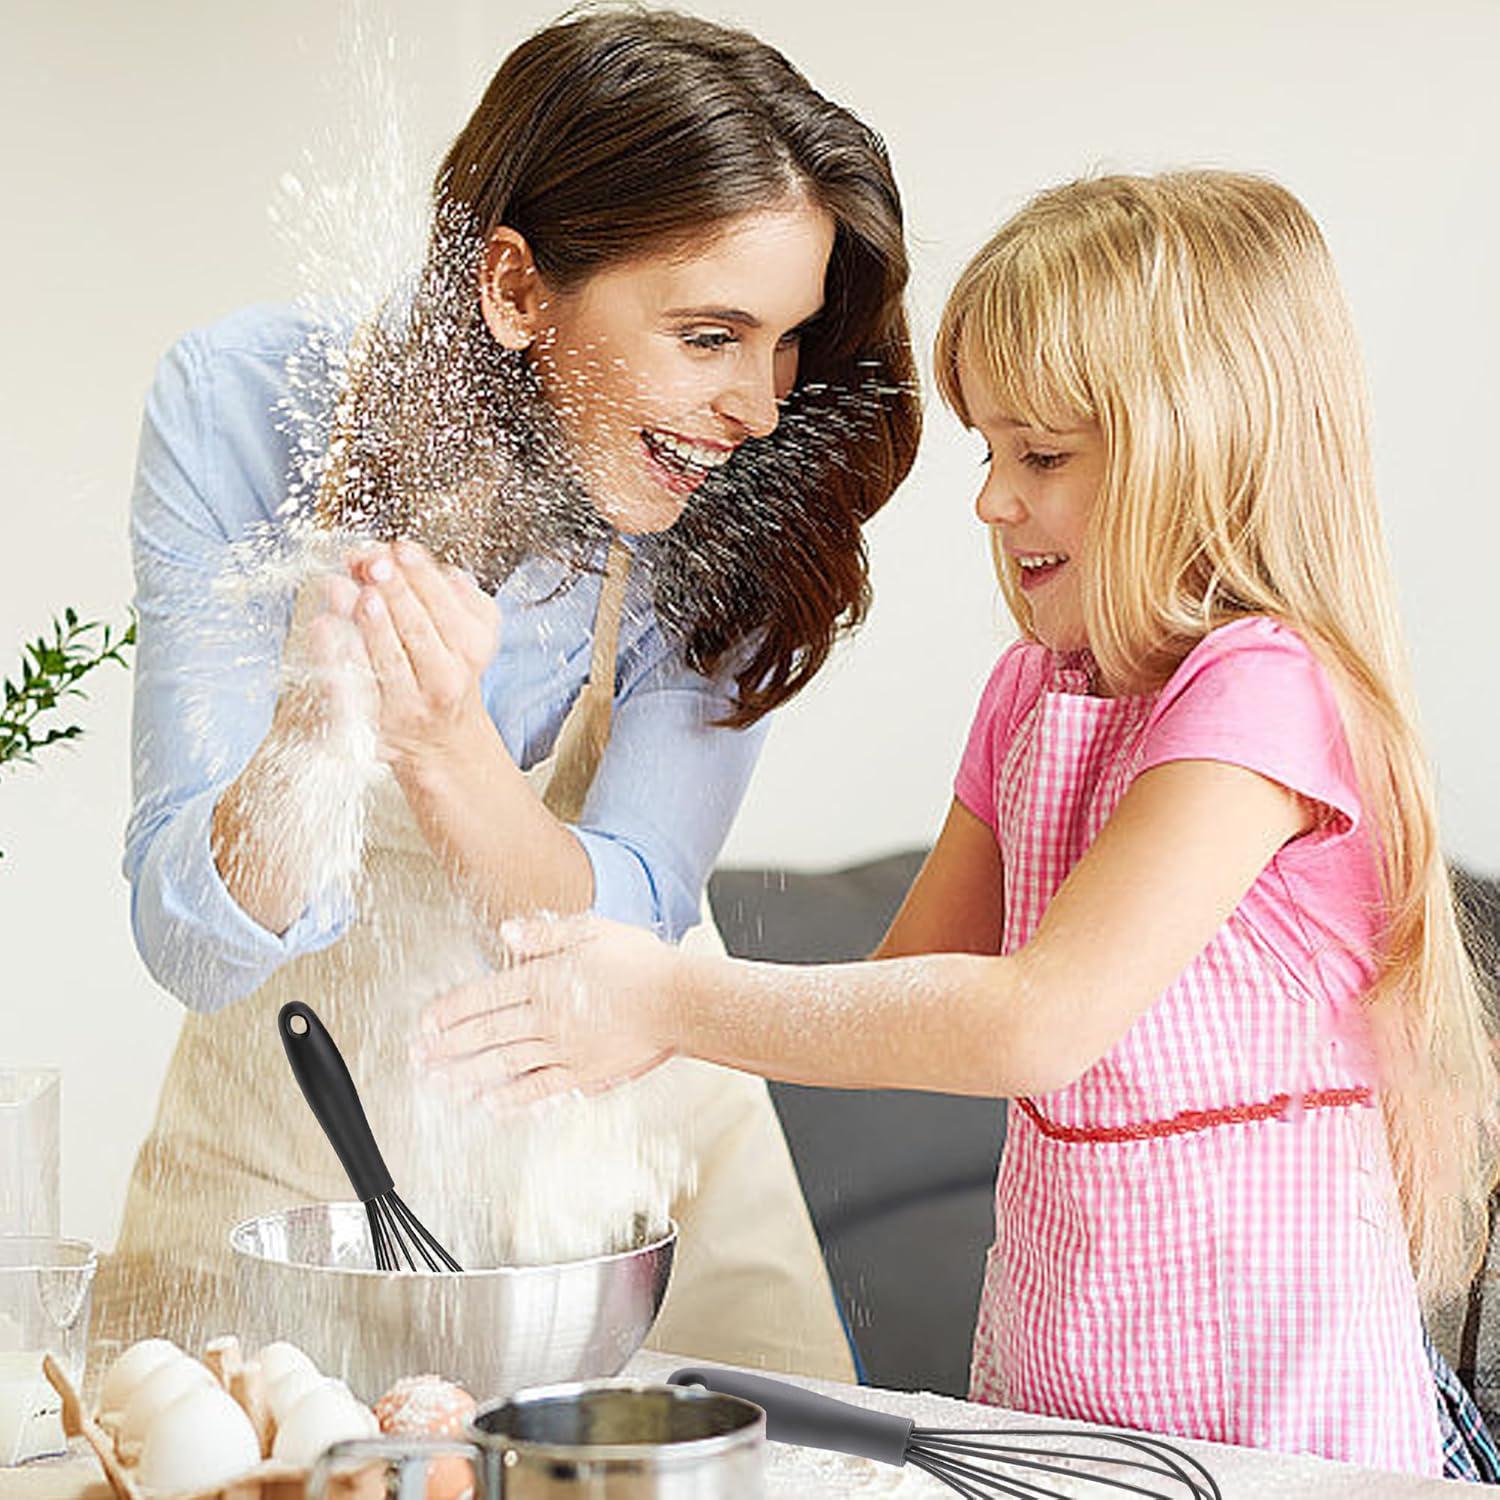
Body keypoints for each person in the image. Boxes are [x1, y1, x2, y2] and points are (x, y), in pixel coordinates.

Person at [423, 171, 1500, 1474]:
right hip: (1061, 1412)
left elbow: (1036, 1022)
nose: (991, 499)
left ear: (1202, 455)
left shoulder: (1268, 694)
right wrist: (637, 1028)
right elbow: (903, 996)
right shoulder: (1030, 698)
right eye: (991, 450)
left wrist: (666, 999)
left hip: (1280, 1444)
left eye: (1041, 455)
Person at [101, 7, 920, 1382]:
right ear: (517, 288)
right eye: (709, 334)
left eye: (784, 342)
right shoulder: (241, 404)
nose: (762, 408)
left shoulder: (737, 513)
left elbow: (624, 918)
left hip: (632, 1180)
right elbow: (193, 944)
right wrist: (318, 725)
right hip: (284, 1174)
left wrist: (442, 749)